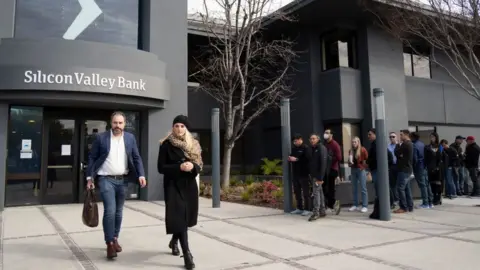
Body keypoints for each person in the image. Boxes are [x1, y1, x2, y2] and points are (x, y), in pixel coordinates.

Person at [86, 111, 147, 259]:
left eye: (120, 123)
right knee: (110, 211)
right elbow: (92, 157)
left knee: (119, 212)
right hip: (106, 179)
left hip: (123, 180)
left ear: (124, 124)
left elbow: (136, 157)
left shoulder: (130, 138)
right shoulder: (101, 138)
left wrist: (141, 174)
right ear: (110, 123)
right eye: (115, 123)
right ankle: (109, 244)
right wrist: (89, 177)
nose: (117, 125)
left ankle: (115, 238)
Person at [157, 115, 202, 270]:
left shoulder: (194, 144)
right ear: (173, 127)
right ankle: (187, 254)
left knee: (185, 218)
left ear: (186, 128)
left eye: (182, 126)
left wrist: (193, 167)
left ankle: (174, 240)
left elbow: (199, 165)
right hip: (172, 185)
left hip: (188, 185)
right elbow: (161, 168)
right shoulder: (166, 144)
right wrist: (179, 167)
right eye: (176, 125)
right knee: (179, 216)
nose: (179, 129)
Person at [366, 129, 393, 219]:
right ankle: (379, 211)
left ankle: (379, 211)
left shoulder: (377, 145)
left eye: (370, 134)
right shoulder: (376, 144)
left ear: (375, 135)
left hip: (377, 170)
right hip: (376, 170)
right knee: (379, 191)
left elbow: (389, 156)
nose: (368, 136)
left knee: (379, 191)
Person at [288, 133, 312, 216]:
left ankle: (307, 209)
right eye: (294, 141)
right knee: (297, 191)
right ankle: (299, 208)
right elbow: (291, 157)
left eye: (296, 141)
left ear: (300, 140)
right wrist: (290, 158)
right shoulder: (294, 149)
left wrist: (297, 159)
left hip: (304, 174)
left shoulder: (306, 148)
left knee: (306, 192)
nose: (295, 142)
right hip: (296, 174)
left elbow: (308, 159)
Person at [307, 133, 328, 221]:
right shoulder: (313, 148)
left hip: (318, 175)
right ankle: (322, 211)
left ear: (318, 139)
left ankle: (316, 213)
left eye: (314, 138)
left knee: (316, 193)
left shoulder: (320, 148)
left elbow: (323, 164)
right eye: (311, 139)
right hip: (314, 175)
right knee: (320, 192)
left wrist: (320, 178)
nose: (312, 140)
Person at [393, 129, 414, 214]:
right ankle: (410, 206)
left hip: (404, 170)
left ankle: (403, 207)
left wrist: (397, 144)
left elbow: (396, 153)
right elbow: (399, 155)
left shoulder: (406, 144)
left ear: (406, 135)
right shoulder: (409, 144)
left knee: (400, 188)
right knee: (407, 188)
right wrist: (399, 155)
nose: (400, 136)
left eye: (401, 135)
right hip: (406, 169)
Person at [322, 128, 342, 215]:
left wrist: (329, 160)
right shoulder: (325, 144)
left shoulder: (335, 144)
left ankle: (333, 204)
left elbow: (339, 157)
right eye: (325, 132)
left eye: (327, 133)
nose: (325, 134)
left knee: (331, 188)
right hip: (326, 169)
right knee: (325, 188)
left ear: (331, 135)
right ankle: (328, 205)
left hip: (333, 169)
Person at [347, 136, 369, 213]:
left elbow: (366, 159)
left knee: (363, 188)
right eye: (352, 142)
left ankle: (365, 206)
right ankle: (355, 204)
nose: (353, 143)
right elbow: (348, 161)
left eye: (355, 142)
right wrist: (350, 162)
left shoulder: (362, 150)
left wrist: (363, 167)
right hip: (353, 169)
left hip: (361, 170)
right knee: (354, 188)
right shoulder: (351, 150)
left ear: (358, 142)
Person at [411, 132, 430, 208]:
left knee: (422, 185)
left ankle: (425, 203)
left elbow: (414, 159)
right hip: (424, 166)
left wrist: (412, 166)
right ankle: (429, 201)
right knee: (426, 184)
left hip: (418, 167)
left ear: (413, 137)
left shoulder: (414, 146)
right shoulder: (422, 144)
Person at [424, 132, 443, 206]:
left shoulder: (440, 146)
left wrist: (438, 167)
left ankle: (438, 199)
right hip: (430, 167)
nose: (432, 138)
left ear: (436, 138)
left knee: (438, 184)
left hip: (438, 167)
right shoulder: (427, 147)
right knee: (431, 184)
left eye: (433, 137)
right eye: (431, 137)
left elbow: (440, 158)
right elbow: (426, 158)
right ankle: (433, 198)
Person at [388, 132, 399, 208]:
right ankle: (395, 200)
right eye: (390, 137)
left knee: (400, 184)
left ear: (396, 137)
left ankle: (400, 199)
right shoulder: (388, 146)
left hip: (399, 166)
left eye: (393, 136)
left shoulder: (399, 146)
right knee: (393, 184)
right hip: (392, 166)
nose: (392, 138)